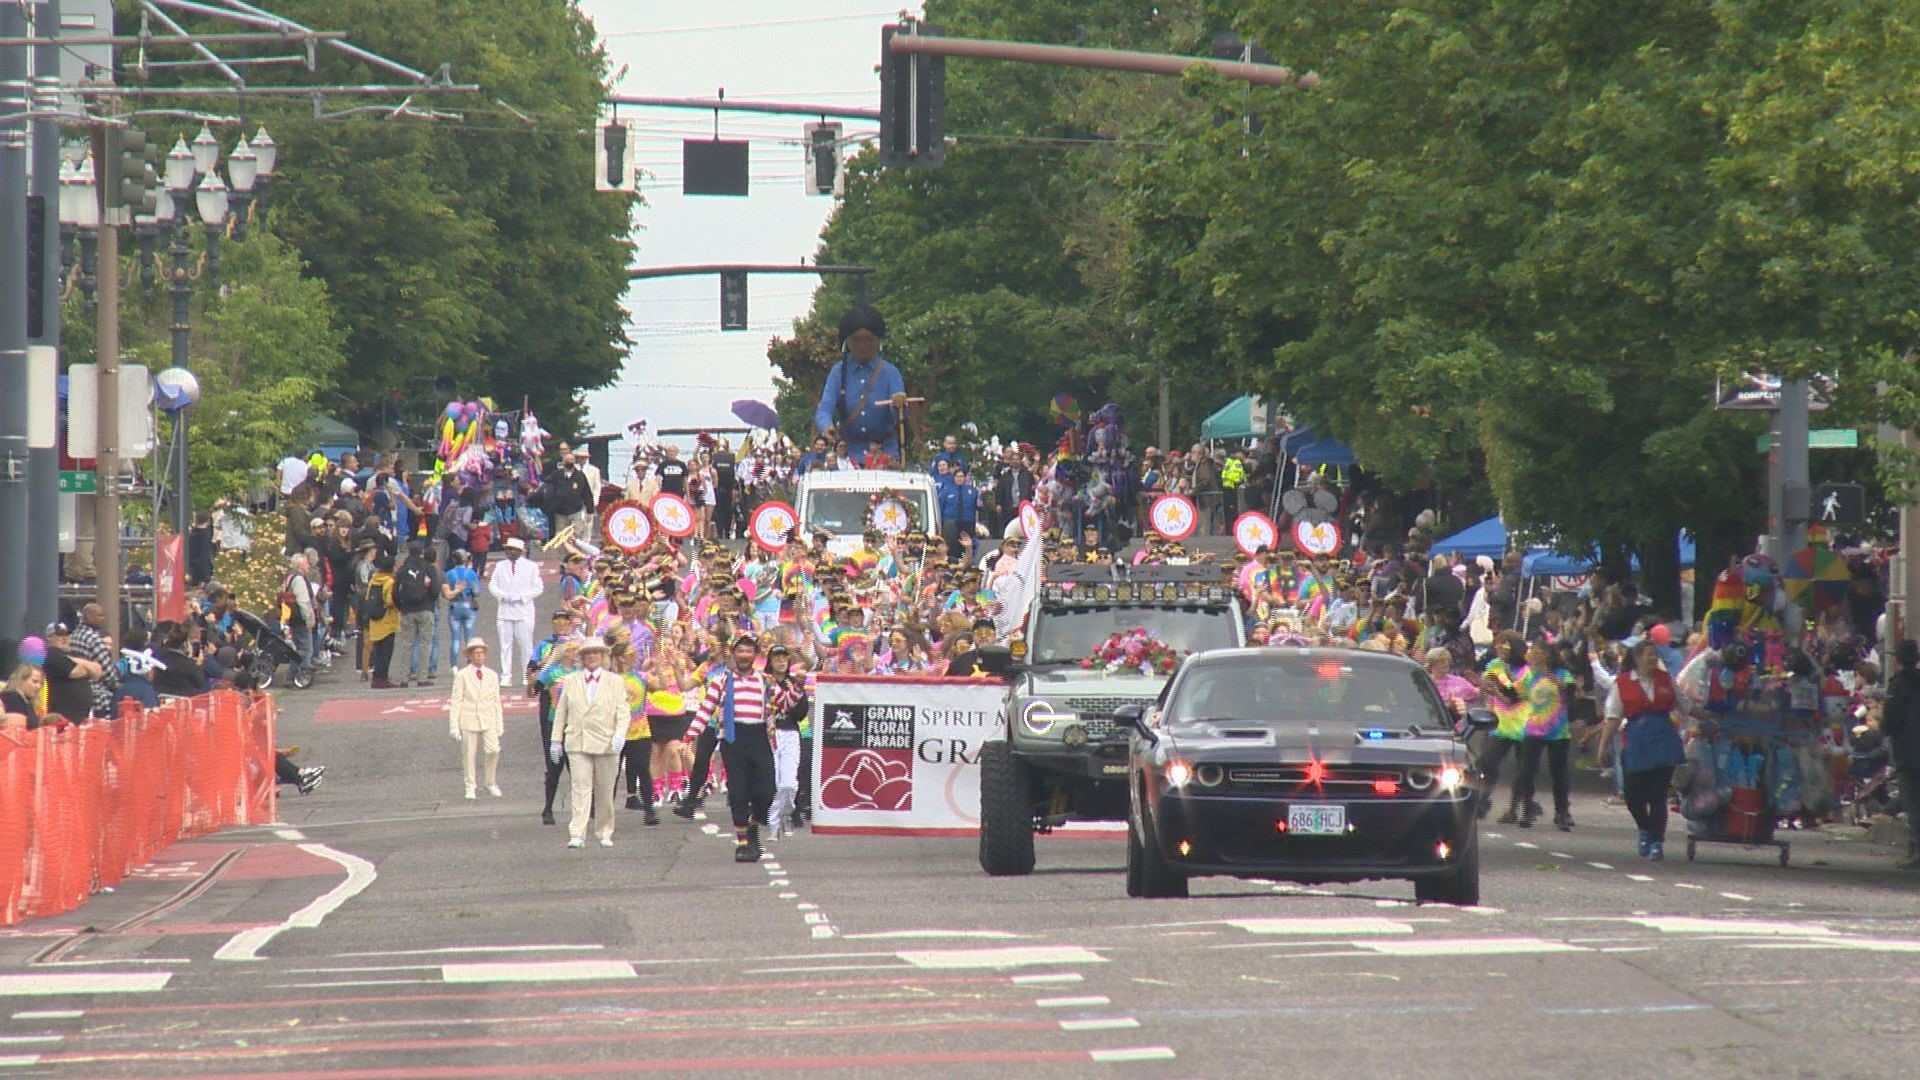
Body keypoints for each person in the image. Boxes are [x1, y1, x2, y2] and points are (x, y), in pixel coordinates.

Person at [687, 634, 778, 863]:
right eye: (740, 651)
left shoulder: (765, 681)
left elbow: (777, 708)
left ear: (755, 654)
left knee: (766, 790)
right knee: (738, 793)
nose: (744, 655)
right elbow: (706, 710)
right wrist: (689, 736)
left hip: (758, 737)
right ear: (733, 654)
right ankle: (743, 843)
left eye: (749, 651)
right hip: (733, 738)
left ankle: (754, 826)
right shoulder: (722, 680)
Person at [1606, 639, 1686, 860]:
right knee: (1633, 795)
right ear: (1637, 658)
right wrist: (1602, 746)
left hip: (1663, 742)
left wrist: (1707, 717)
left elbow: (1685, 705)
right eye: (1649, 655)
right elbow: (1613, 717)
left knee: (1658, 795)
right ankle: (1645, 828)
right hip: (1636, 743)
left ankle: (1657, 842)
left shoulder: (1666, 680)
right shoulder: (1622, 683)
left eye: (1655, 655)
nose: (1653, 659)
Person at [550, 636, 624, 849]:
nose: (592, 657)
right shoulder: (571, 681)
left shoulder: (615, 681)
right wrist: (556, 740)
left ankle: (604, 831)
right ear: (582, 658)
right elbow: (561, 712)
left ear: (602, 657)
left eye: (596, 653)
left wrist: (619, 733)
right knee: (580, 786)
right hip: (578, 741)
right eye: (588, 653)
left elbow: (623, 711)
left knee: (604, 790)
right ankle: (577, 832)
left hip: (606, 742)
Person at [812, 305, 907, 463]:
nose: (862, 346)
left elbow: (901, 417)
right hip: (848, 457)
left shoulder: (891, 373)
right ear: (846, 342)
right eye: (856, 340)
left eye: (869, 340)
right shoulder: (838, 372)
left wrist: (899, 404)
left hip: (885, 456)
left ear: (878, 341)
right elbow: (824, 408)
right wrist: (827, 426)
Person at [448, 638, 505, 800]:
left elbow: (496, 700)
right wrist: (454, 725)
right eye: (476, 653)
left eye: (481, 653)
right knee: (469, 754)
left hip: (488, 717)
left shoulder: (492, 675)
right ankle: (470, 786)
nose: (479, 656)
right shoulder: (462, 675)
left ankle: (490, 782)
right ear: (470, 656)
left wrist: (499, 723)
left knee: (494, 750)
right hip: (468, 718)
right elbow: (456, 700)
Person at [1881, 638, 1920, 870]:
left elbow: (1891, 720)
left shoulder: (1898, 684)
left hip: (1908, 751)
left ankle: (1915, 849)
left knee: (1913, 802)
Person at [487, 537, 543, 686]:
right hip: (504, 610)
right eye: (507, 549)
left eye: (512, 549)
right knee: (505, 645)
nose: (509, 552)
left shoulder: (531, 567)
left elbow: (538, 588)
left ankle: (527, 675)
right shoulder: (500, 566)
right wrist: (503, 596)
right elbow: (492, 586)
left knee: (526, 645)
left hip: (524, 610)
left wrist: (521, 597)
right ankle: (506, 676)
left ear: (520, 551)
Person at [766, 645, 809, 838]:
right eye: (777, 659)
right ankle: (775, 821)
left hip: (790, 732)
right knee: (775, 782)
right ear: (771, 661)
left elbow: (801, 711)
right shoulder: (765, 681)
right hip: (770, 734)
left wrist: (795, 694)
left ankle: (786, 813)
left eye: (784, 658)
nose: (781, 662)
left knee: (789, 784)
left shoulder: (795, 683)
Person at [394, 542, 441, 687]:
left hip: (407, 610)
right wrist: (430, 602)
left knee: (407, 644)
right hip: (425, 608)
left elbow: (395, 591)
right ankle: (422, 677)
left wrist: (400, 606)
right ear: (421, 552)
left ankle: (404, 678)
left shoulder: (402, 569)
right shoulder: (428, 568)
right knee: (425, 644)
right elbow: (435, 588)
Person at [41, 622, 103, 725]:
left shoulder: (71, 655)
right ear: (49, 637)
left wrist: (75, 661)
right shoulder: (51, 654)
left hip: (81, 719)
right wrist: (89, 668)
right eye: (60, 635)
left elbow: (98, 672)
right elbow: (75, 672)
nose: (65, 639)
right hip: (62, 717)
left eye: (67, 635)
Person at [69, 603, 120, 717]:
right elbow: (108, 673)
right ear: (89, 616)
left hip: (75, 692)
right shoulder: (94, 639)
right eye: (100, 616)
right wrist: (118, 685)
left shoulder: (73, 636)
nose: (103, 619)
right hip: (97, 697)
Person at [363, 555, 401, 689]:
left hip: (375, 620)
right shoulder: (389, 582)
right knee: (386, 652)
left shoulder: (374, 579)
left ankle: (377, 676)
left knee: (378, 651)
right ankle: (381, 678)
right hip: (387, 621)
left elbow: (368, 597)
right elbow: (390, 600)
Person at [443, 550, 481, 659]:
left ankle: (454, 665)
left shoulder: (449, 573)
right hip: (468, 605)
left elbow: (445, 593)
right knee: (469, 637)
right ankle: (470, 660)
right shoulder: (471, 573)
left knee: (455, 639)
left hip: (454, 605)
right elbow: (477, 592)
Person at [2, 664, 45, 729]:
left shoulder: (28, 702)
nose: (39, 686)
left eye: (41, 683)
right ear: (21, 680)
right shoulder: (11, 697)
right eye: (35, 681)